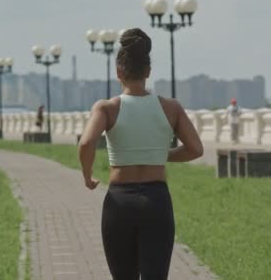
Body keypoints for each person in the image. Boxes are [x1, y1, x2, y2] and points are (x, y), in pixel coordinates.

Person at [78, 28, 203, 279]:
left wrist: (87, 177)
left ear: (118, 72)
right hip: (156, 200)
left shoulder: (106, 108)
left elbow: (86, 144)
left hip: (119, 202)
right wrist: (159, 155)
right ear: (148, 71)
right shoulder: (171, 107)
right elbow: (195, 149)